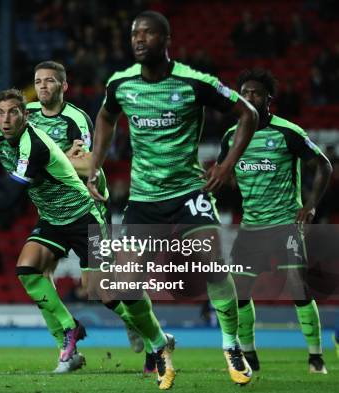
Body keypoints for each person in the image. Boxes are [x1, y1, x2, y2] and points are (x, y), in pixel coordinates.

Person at [0, 89, 176, 390]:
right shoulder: (0, 138)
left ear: (26, 115)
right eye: (0, 112)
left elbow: (10, 199)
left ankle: (154, 336)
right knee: (27, 270)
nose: (7, 118)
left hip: (84, 217)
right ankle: (70, 328)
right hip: (52, 219)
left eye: (14, 112)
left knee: (102, 292)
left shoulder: (33, 144)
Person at [87, 11, 259, 386]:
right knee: (123, 286)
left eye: (148, 34)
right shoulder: (120, 84)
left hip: (187, 194)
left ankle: (231, 345)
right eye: (134, 34)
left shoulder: (194, 82)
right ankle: (159, 343)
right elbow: (105, 117)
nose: (139, 39)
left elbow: (247, 114)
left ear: (166, 41)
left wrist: (227, 165)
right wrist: (94, 165)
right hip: (144, 199)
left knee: (212, 264)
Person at [27, 60, 149, 371]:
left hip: (88, 208)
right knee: (32, 270)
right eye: (38, 81)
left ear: (63, 86)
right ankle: (66, 348)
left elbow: (88, 164)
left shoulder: (75, 118)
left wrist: (43, 161)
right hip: (52, 211)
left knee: (99, 290)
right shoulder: (26, 115)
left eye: (50, 81)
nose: (42, 86)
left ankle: (147, 331)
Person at [220, 68, 332, 374]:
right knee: (239, 292)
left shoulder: (288, 132)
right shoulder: (232, 136)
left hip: (285, 224)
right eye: (245, 92)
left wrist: (310, 206)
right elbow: (221, 175)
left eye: (256, 92)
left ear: (269, 99)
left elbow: (323, 166)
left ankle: (315, 356)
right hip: (251, 226)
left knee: (299, 289)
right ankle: (249, 355)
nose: (250, 97)